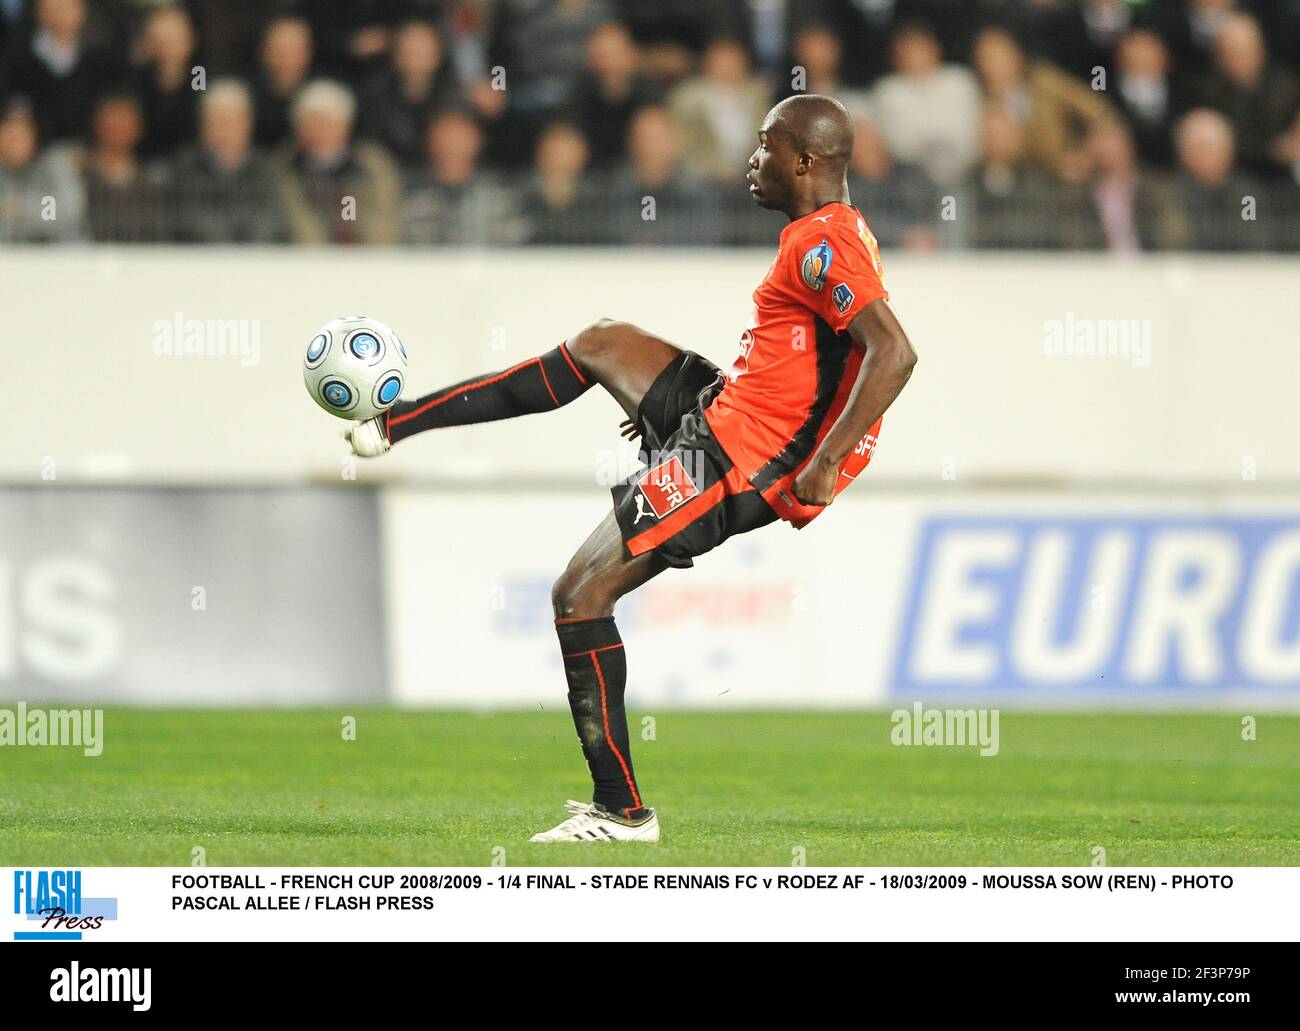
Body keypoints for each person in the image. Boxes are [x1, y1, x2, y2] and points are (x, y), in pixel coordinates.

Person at [341, 94, 917, 842]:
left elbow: (894, 351)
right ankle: (399, 421)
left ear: (805, 162)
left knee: (579, 596)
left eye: (767, 146)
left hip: (741, 460)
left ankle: (621, 811)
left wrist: (828, 460)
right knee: (603, 342)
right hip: (727, 412)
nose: (753, 159)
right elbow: (817, 359)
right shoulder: (823, 233)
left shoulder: (825, 243)